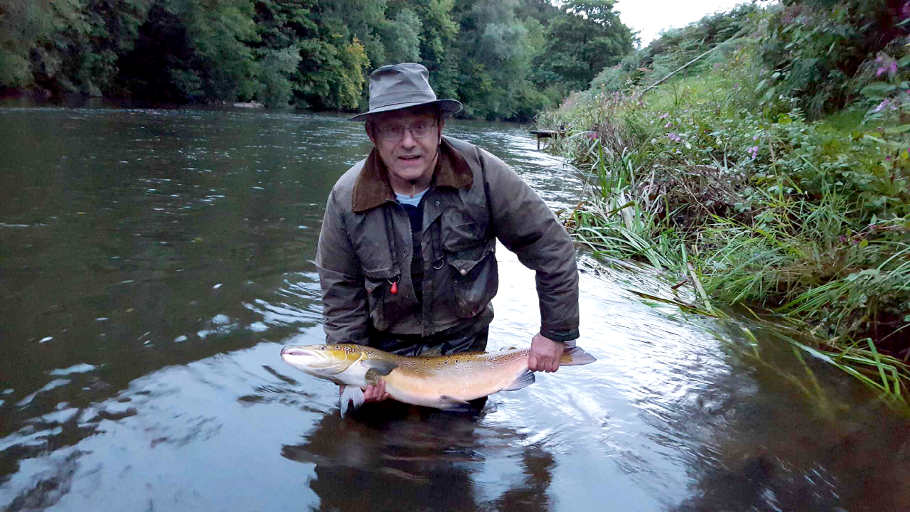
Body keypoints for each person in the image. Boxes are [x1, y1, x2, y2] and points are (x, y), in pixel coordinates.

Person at [316, 63, 579, 405]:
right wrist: (354, 375)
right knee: (359, 452)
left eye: (420, 126)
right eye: (393, 130)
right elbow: (340, 292)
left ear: (440, 127)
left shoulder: (483, 175)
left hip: (464, 354)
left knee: (452, 450)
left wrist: (555, 333)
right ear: (372, 134)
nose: (408, 142)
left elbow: (551, 246)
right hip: (385, 355)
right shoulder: (345, 198)